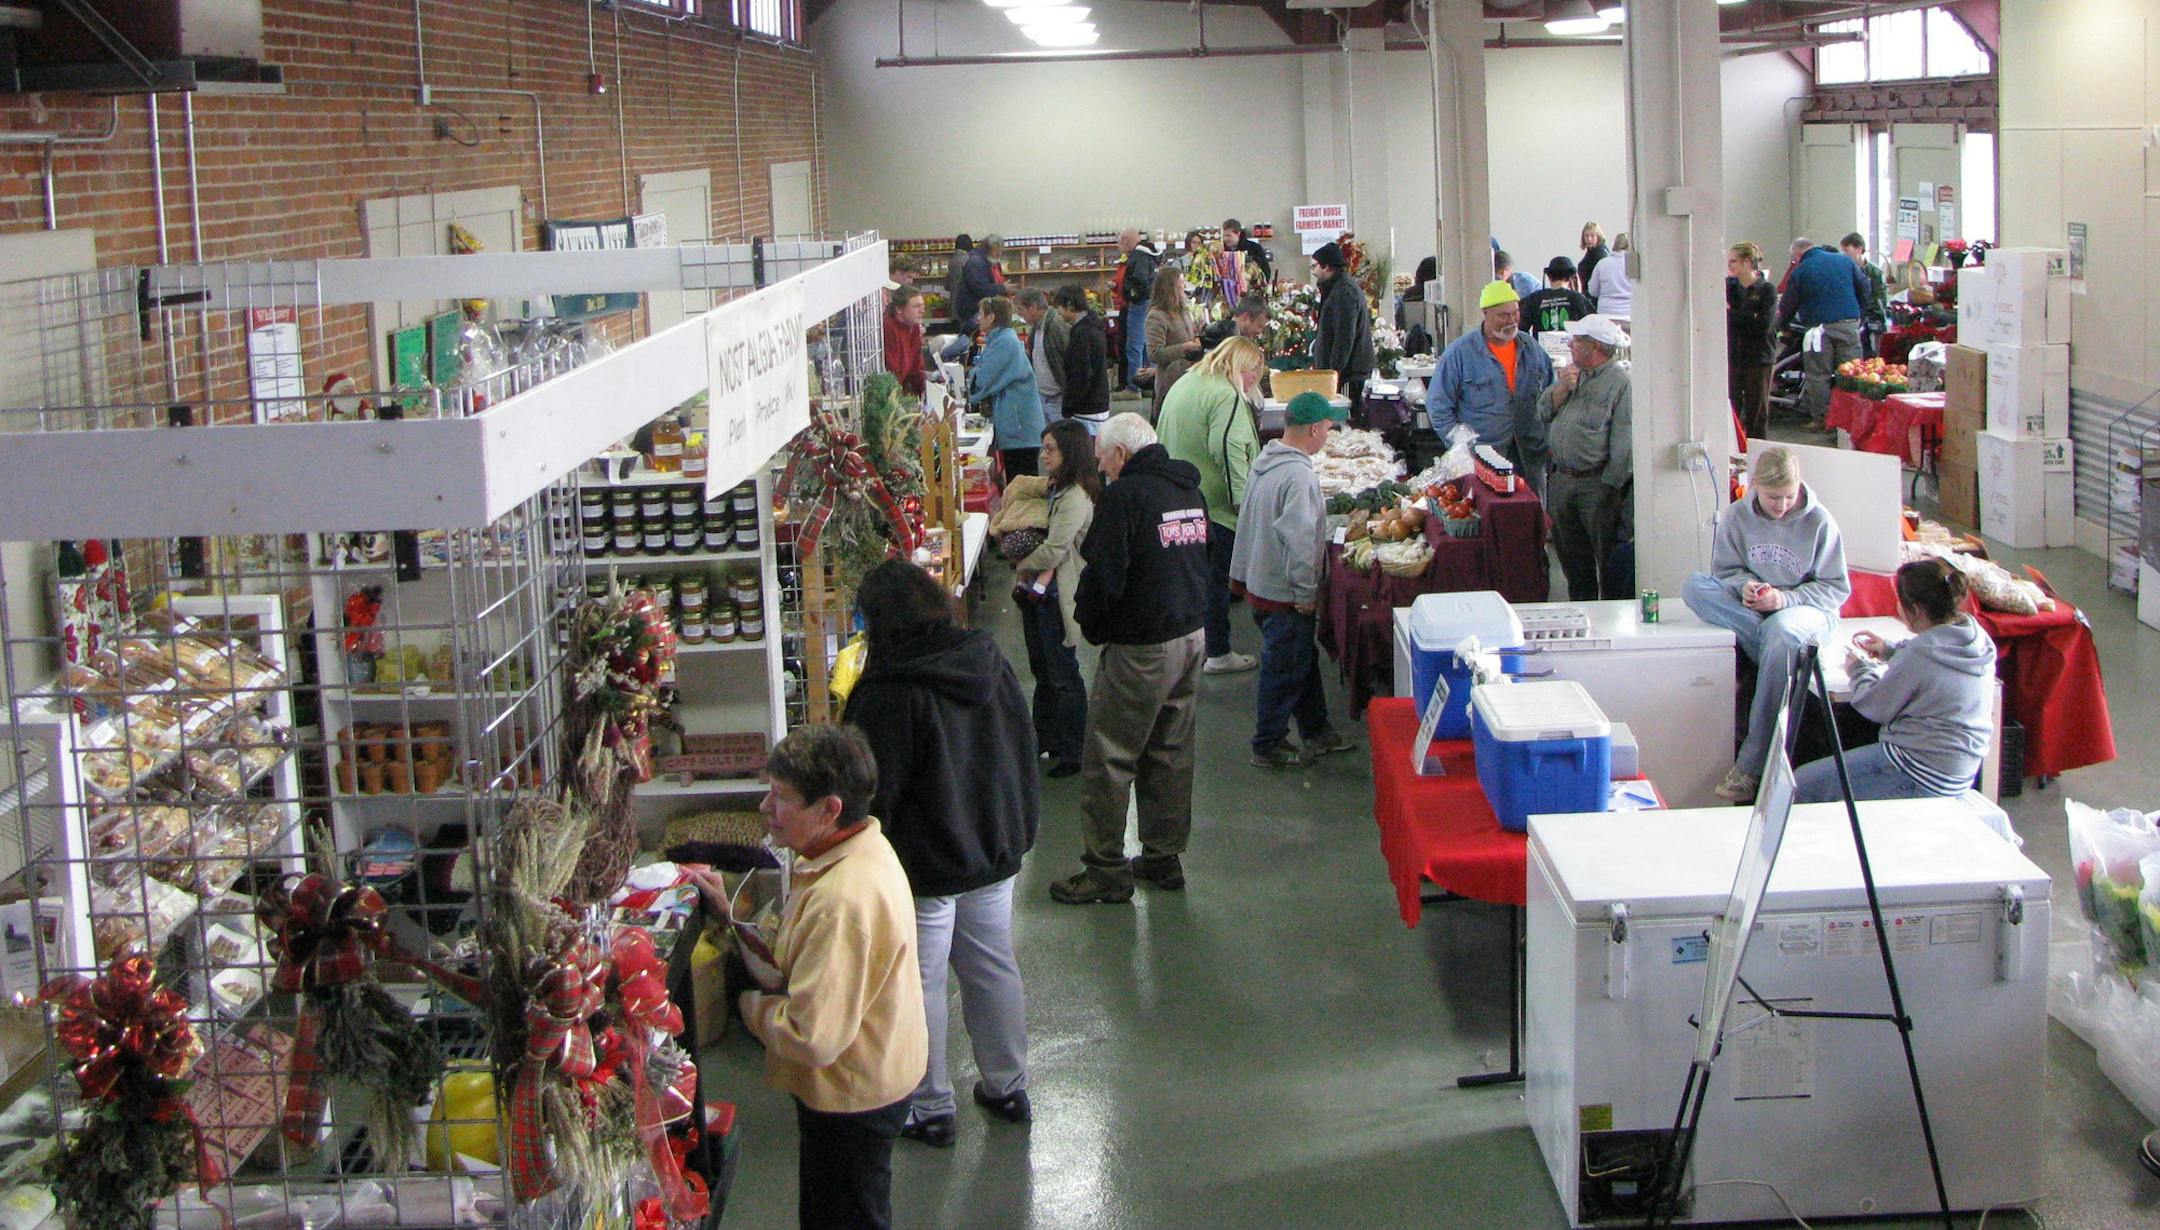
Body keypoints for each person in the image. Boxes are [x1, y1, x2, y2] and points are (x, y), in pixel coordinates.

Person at [695, 724, 926, 1230]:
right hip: (873, 1069)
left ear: (829, 809)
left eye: (780, 797)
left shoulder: (842, 902)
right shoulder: (851, 851)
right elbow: (799, 960)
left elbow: (811, 1036)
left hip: (853, 1094)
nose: (765, 808)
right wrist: (732, 919)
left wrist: (744, 1003)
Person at [843, 560, 1038, 1149]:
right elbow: (1020, 745)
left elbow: (873, 791)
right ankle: (1008, 1085)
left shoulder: (888, 691)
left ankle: (929, 1107)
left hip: (922, 865)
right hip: (991, 847)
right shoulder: (986, 660)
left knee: (919, 982)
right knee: (992, 964)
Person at [1048, 412, 1209, 905]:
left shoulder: (1125, 497)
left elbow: (1103, 576)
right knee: (1170, 751)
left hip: (1142, 648)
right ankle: (1163, 857)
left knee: (1110, 756)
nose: (1100, 468)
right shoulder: (1188, 491)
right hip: (1191, 637)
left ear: (1121, 454)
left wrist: (1091, 626)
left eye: (1103, 459)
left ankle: (1105, 869)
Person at [1681, 446, 1851, 802]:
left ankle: (1752, 765)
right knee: (1694, 588)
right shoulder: (1736, 516)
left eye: (1789, 496)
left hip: (1806, 610)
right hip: (1758, 610)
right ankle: (1784, 654)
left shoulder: (1820, 522)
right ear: (1755, 485)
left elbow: (1835, 589)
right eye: (1774, 497)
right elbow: (1725, 572)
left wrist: (1784, 600)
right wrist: (1746, 586)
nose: (1782, 505)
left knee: (1781, 630)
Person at [1791, 558, 1996, 804]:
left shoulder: (1919, 655)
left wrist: (1858, 670)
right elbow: (1933, 654)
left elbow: (1874, 705)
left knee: (1800, 785)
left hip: (1918, 770)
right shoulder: (1976, 638)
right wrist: (1891, 650)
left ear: (1916, 609)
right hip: (1959, 770)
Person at [1230, 392, 1355, 769]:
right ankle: (1267, 744)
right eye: (1328, 429)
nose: (1328, 436)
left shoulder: (1265, 462)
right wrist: (1305, 592)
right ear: (1314, 429)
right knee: (1283, 670)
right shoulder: (1298, 476)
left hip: (1260, 579)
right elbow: (1299, 541)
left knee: (1301, 660)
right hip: (1283, 591)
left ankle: (1316, 730)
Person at [1156, 336, 1265, 677]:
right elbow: (1229, 451)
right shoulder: (1225, 394)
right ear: (1237, 365)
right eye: (1252, 372)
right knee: (1215, 583)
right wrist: (1244, 506)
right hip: (1213, 506)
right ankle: (1218, 652)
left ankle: (1192, 650)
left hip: (1177, 497)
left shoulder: (1189, 381)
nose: (1253, 380)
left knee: (1192, 580)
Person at [1013, 419, 1100, 773]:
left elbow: (1054, 550)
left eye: (1050, 449)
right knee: (1043, 670)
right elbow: (1021, 486)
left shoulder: (1074, 498)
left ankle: (1073, 750)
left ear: (1070, 453)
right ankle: (1046, 739)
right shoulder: (1056, 489)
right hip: (1039, 595)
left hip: (1057, 596)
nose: (1043, 455)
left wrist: (1021, 565)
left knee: (1063, 673)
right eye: (1043, 448)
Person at [1537, 315, 1633, 602]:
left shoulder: (1620, 383)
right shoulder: (1570, 375)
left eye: (1576, 340)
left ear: (1595, 347)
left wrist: (1609, 487)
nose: (1570, 344)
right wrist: (1561, 389)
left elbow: (1624, 443)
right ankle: (1581, 608)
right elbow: (1542, 412)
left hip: (1596, 485)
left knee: (1606, 559)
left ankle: (1609, 617)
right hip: (1561, 480)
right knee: (1571, 560)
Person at [1427, 279, 1555, 489]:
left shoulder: (1531, 348)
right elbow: (1438, 407)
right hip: (1482, 459)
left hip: (1529, 455)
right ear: (1485, 313)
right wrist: (1461, 448)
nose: (1511, 321)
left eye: (1515, 313)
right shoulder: (1460, 354)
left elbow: (1551, 393)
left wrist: (1549, 439)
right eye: (1503, 315)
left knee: (1532, 506)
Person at [1777, 240, 1870, 428]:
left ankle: (1822, 421)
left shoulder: (1801, 270)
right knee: (1852, 374)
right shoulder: (1845, 261)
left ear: (1797, 255)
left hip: (1818, 330)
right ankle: (1853, 422)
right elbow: (1865, 287)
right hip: (1848, 325)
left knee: (1819, 375)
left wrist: (1781, 326)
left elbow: (1788, 305)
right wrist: (1859, 314)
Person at [969, 296, 1048, 478]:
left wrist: (973, 374)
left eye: (981, 314)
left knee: (1022, 483)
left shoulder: (1005, 342)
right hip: (1016, 425)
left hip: (1020, 429)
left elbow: (983, 379)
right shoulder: (998, 340)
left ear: (991, 317)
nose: (977, 318)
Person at [1310, 241, 1374, 422]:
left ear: (1327, 266)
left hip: (1348, 375)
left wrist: (1333, 373)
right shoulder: (1337, 289)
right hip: (1345, 374)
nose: (1313, 271)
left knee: (1345, 423)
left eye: (1315, 266)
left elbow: (1344, 337)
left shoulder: (1343, 292)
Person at [1726, 242, 1778, 442]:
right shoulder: (1728, 287)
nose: (1729, 266)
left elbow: (1763, 325)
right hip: (1734, 356)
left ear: (1747, 262)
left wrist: (1732, 314)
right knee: (1732, 408)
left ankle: (1757, 450)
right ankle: (1733, 450)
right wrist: (1748, 317)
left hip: (1759, 358)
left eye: (1733, 261)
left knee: (1756, 410)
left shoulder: (1767, 290)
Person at [1144, 264, 1202, 417]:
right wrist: (1185, 347)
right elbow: (1154, 353)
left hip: (1189, 378)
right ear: (1171, 287)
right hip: (1170, 381)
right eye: (1181, 282)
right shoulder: (1156, 316)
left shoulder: (1183, 311)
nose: (1184, 286)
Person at [1053, 283, 1110, 433]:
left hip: (1087, 408)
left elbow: (1081, 374)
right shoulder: (1091, 327)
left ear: (1070, 305)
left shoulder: (1083, 334)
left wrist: (1069, 405)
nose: (1058, 312)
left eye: (1059, 307)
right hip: (1096, 403)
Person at [1115, 229, 1162, 393]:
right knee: (1146, 345)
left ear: (1127, 240)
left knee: (1134, 346)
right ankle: (1148, 384)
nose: (1118, 245)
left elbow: (1139, 280)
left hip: (1139, 304)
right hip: (1149, 302)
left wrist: (1130, 293)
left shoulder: (1137, 256)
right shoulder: (1150, 253)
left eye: (1120, 241)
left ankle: (1134, 387)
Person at [1014, 288, 1068, 420]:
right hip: (1044, 396)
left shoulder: (1055, 325)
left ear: (1032, 307)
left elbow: (1068, 359)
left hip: (1058, 398)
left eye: (1021, 310)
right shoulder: (1037, 327)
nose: (1020, 315)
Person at [1841, 232, 1890, 356]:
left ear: (1858, 249)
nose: (1843, 254)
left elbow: (1880, 298)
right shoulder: (1843, 270)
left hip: (1870, 314)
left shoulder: (1875, 272)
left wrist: (1864, 312)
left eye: (1847, 250)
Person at [1520, 256, 1594, 337]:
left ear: (1549, 277)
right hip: (1572, 344)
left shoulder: (1534, 298)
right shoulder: (1577, 298)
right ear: (1571, 278)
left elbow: (1522, 329)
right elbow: (1593, 324)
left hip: (1540, 344)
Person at [882, 285, 928, 399]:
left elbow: (917, 366)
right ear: (899, 309)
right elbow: (893, 371)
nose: (922, 311)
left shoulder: (914, 326)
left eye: (922, 306)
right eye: (916, 306)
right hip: (892, 393)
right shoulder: (889, 328)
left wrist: (924, 394)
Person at [955, 235, 1002, 329]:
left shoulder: (988, 261)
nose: (999, 254)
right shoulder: (975, 262)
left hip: (979, 310)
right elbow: (981, 288)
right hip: (972, 311)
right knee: (972, 335)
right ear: (991, 249)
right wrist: (1002, 288)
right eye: (997, 251)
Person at [1585, 232, 1633, 319]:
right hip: (1629, 311)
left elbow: (1592, 291)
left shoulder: (1602, 263)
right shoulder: (1633, 265)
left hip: (1606, 312)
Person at [1199, 293, 1269, 352]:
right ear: (1246, 317)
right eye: (1259, 326)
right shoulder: (1228, 335)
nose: (1259, 332)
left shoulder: (1224, 329)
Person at [1222, 218, 1274, 288]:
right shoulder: (1220, 250)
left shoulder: (1254, 248)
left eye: (1228, 236)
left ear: (1238, 234)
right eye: (1224, 235)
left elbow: (1266, 270)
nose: (1225, 239)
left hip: (1250, 290)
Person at [944, 234, 974, 330]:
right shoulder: (970, 260)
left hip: (954, 305)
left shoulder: (952, 261)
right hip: (966, 305)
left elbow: (947, 285)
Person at [1577, 222, 1611, 292]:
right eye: (1587, 236)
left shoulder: (1599, 254)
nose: (1589, 239)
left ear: (1598, 237)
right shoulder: (1591, 252)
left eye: (1592, 236)